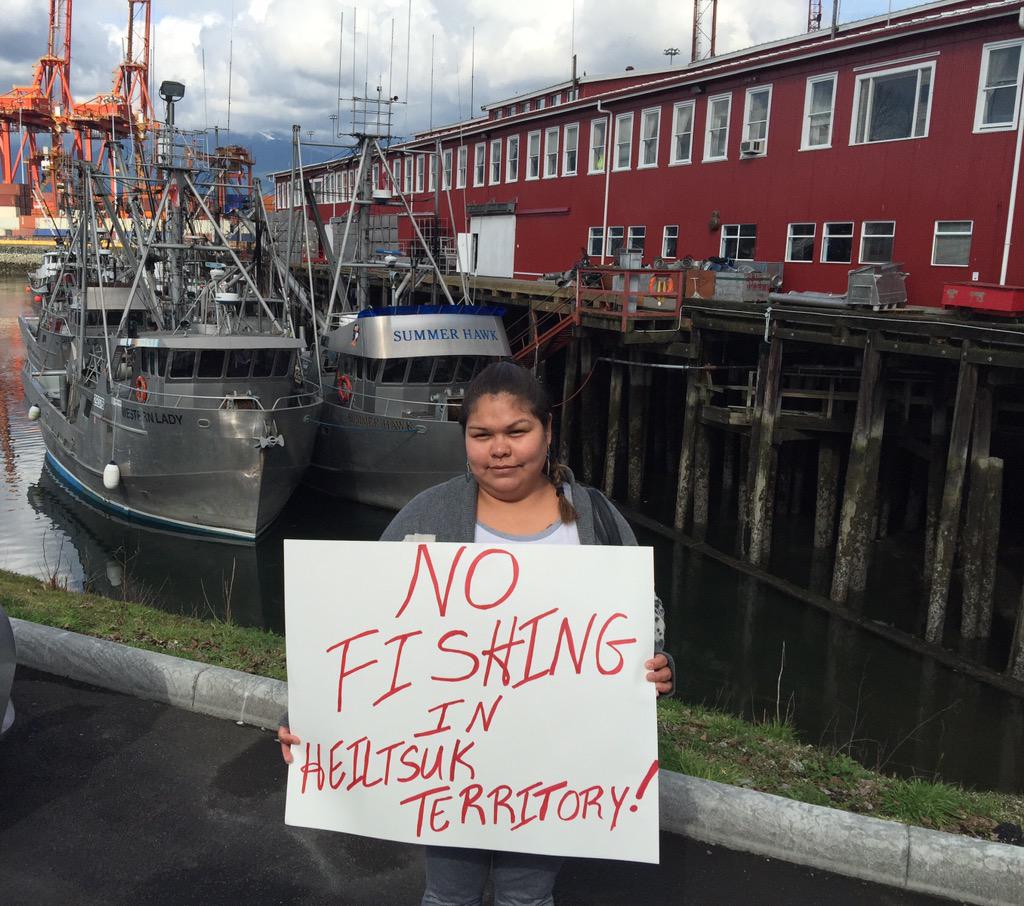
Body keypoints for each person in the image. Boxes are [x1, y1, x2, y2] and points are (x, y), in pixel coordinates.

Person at [279, 360, 673, 906]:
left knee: (527, 898)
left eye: (517, 432)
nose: (500, 449)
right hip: (448, 763)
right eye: (481, 434)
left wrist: (656, 667)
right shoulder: (428, 516)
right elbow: (358, 624)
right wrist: (304, 717)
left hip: (552, 765)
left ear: (548, 430)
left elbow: (642, 617)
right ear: (463, 436)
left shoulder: (594, 520)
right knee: (448, 896)